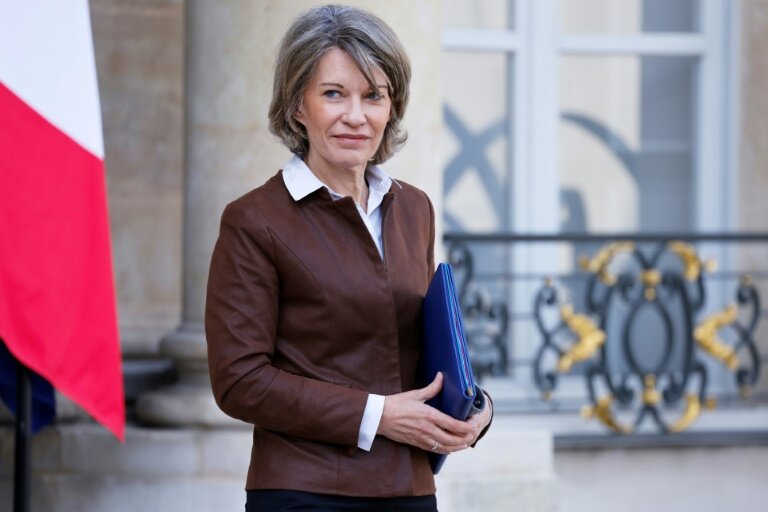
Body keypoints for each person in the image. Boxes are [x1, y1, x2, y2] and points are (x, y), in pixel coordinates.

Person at [205, 5, 492, 511]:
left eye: (373, 96)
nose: (356, 116)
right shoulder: (254, 220)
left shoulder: (414, 209)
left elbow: (418, 346)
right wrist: (377, 415)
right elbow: (239, 380)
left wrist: (476, 406)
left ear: (391, 107)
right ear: (298, 106)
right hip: (304, 491)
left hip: (409, 488)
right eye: (334, 94)